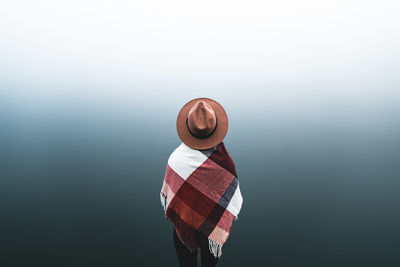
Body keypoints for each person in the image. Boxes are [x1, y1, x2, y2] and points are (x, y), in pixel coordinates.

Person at [160, 97, 243, 267]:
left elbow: (169, 195)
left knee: (186, 264)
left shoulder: (176, 159)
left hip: (184, 224)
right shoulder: (225, 164)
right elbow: (231, 197)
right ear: (215, 129)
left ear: (189, 129)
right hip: (211, 228)